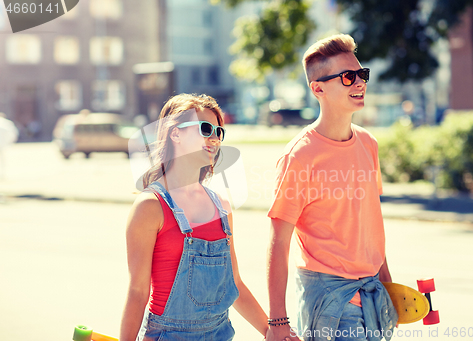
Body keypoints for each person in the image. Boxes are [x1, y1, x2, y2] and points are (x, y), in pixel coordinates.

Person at [266, 34, 398, 341]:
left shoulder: (368, 143)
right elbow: (279, 242)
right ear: (318, 88)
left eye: (361, 74)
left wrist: (388, 285)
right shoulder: (298, 156)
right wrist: (277, 321)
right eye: (348, 77)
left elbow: (370, 223)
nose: (360, 83)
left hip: (373, 298)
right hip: (330, 303)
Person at [120, 94, 269, 341]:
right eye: (205, 128)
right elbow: (137, 291)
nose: (214, 138)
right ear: (175, 133)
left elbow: (234, 286)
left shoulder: (221, 206)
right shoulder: (150, 206)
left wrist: (270, 330)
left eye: (219, 132)